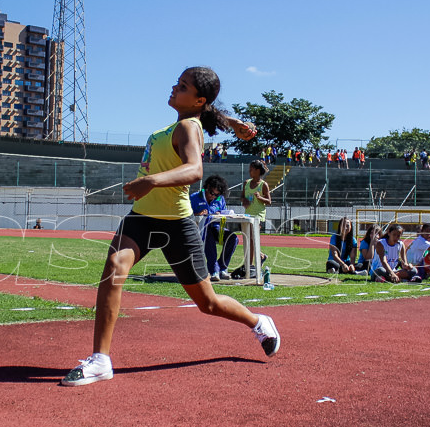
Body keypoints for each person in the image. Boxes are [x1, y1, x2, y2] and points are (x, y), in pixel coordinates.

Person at [61, 67, 280, 386]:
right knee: (114, 267)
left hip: (175, 223)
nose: (174, 88)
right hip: (141, 217)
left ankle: (258, 322)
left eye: (183, 86)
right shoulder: (180, 123)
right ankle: (101, 360)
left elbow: (194, 170)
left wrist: (150, 181)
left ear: (198, 100)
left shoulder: (189, 128)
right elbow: (210, 113)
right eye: (177, 83)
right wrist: (232, 122)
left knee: (208, 303)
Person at [189, 174, 238, 282]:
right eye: (212, 193)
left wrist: (221, 213)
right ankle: (214, 270)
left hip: (217, 228)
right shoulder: (194, 197)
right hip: (201, 230)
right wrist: (198, 214)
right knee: (208, 236)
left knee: (233, 238)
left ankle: (222, 267)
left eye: (217, 195)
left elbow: (224, 212)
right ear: (206, 188)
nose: (213, 196)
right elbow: (187, 216)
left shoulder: (220, 200)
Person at [235, 158, 271, 277]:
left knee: (252, 237)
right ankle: (255, 260)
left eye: (251, 169)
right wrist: (244, 200)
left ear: (257, 170)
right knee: (248, 239)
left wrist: (260, 198)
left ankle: (251, 264)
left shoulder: (263, 184)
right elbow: (241, 197)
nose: (249, 171)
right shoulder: (246, 183)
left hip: (258, 215)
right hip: (248, 214)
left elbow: (269, 201)